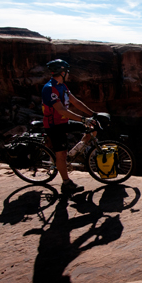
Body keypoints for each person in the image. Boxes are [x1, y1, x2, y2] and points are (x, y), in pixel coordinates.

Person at [42, 59, 96, 194]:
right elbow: (62, 110)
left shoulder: (63, 86)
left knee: (93, 128)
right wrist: (84, 119)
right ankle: (66, 183)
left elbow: (75, 102)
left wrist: (94, 114)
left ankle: (75, 152)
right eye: (67, 72)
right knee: (61, 154)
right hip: (54, 125)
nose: (69, 74)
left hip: (64, 122)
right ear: (62, 72)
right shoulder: (50, 89)